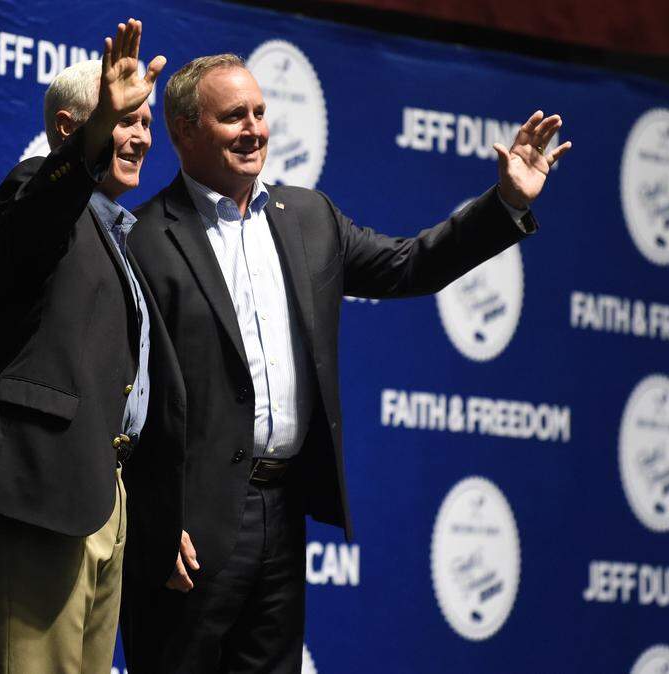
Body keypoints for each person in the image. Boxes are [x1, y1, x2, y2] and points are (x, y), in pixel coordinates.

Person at [121, 54, 572, 673]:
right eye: (233, 117)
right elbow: (123, 399)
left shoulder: (309, 217)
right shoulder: (142, 238)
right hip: (188, 532)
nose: (255, 129)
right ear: (182, 131)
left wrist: (504, 203)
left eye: (259, 112)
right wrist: (153, 521)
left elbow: (412, 264)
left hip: (282, 514)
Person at [0, 20, 179, 674]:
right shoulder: (32, 189)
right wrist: (100, 132)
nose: (143, 138)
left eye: (146, 124)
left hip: (101, 502)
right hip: (35, 496)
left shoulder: (115, 234)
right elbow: (46, 207)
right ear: (73, 129)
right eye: (128, 121)